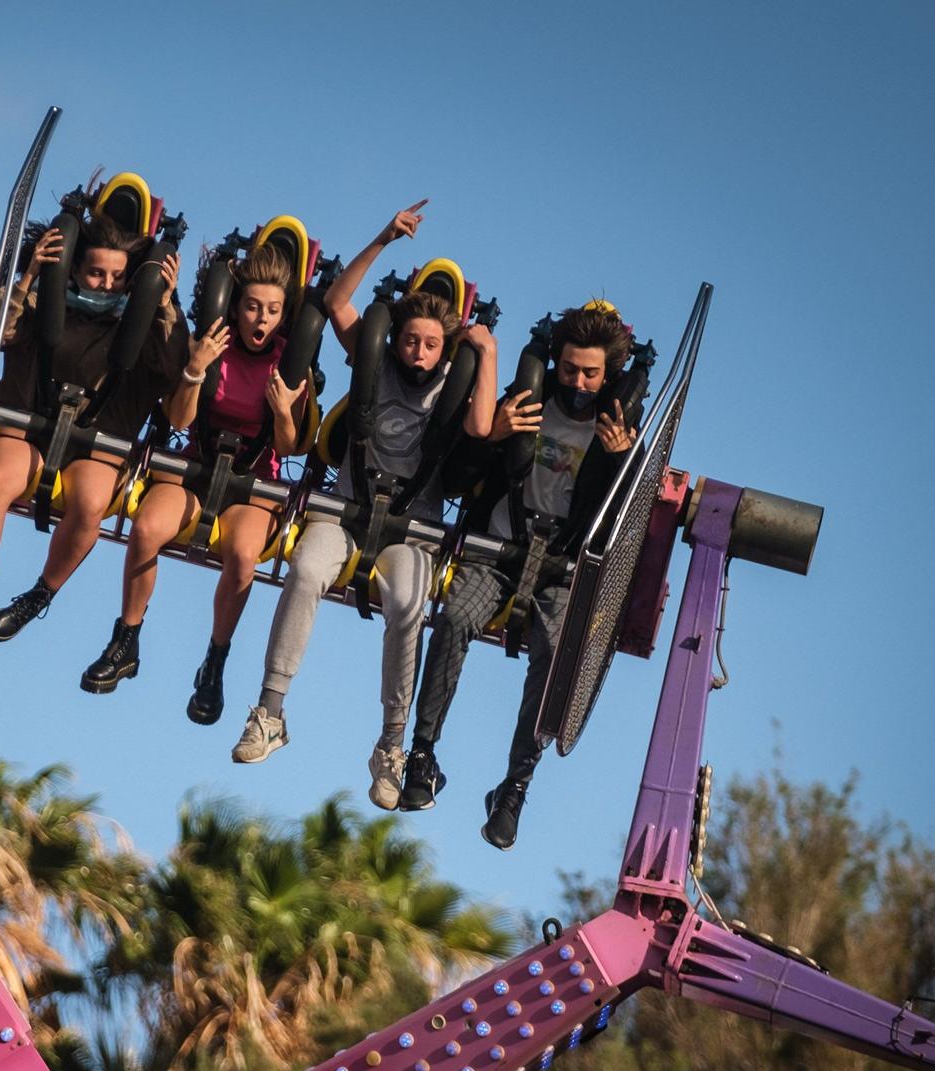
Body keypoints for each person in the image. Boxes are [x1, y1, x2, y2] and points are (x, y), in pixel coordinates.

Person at [229, 200, 498, 816]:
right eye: (411, 340)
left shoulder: (455, 376)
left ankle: (391, 747)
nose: (420, 353)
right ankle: (269, 713)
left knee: (407, 603)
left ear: (445, 346)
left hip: (412, 527)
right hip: (347, 509)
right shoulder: (372, 361)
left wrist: (486, 351)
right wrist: (382, 238)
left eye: (433, 344)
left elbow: (482, 423)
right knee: (302, 572)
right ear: (397, 338)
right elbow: (336, 303)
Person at [396, 303, 640, 847]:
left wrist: (621, 464)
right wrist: (492, 436)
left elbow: (625, 527)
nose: (578, 382)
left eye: (591, 374)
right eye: (571, 369)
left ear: (608, 376)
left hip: (562, 567)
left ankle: (515, 786)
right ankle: (423, 752)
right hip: (500, 550)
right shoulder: (523, 403)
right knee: (455, 618)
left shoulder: (619, 433)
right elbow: (458, 480)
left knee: (555, 654)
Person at [0, 212, 186, 635]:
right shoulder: (46, 303)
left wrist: (165, 304)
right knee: (2, 476)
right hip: (30, 424)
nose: (106, 284)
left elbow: (171, 368)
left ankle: (38, 595)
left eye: (117, 276)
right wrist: (29, 278)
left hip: (98, 441)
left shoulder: (141, 324)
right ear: (76, 270)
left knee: (90, 504)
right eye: (95, 273)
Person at [79, 243, 306, 711]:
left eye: (272, 311)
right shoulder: (210, 342)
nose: (260, 320)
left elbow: (286, 446)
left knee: (244, 556)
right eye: (252, 307)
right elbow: (180, 420)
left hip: (254, 478)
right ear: (236, 306)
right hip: (197, 465)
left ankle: (214, 662)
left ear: (284, 316)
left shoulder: (287, 361)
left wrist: (283, 410)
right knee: (146, 528)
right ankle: (126, 641)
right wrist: (195, 370)